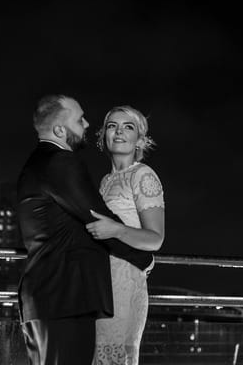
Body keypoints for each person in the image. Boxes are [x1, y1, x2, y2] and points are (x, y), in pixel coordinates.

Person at [16, 95, 153, 365]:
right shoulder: (61, 162)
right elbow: (96, 216)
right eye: (79, 120)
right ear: (59, 130)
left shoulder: (37, 162)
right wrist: (142, 258)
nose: (88, 123)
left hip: (47, 297)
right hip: (64, 298)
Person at [86, 105, 165, 365]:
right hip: (101, 281)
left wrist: (116, 229)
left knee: (116, 358)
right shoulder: (106, 181)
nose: (119, 132)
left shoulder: (142, 175)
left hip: (125, 282)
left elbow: (155, 238)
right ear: (103, 136)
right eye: (112, 126)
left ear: (139, 139)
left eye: (127, 127)